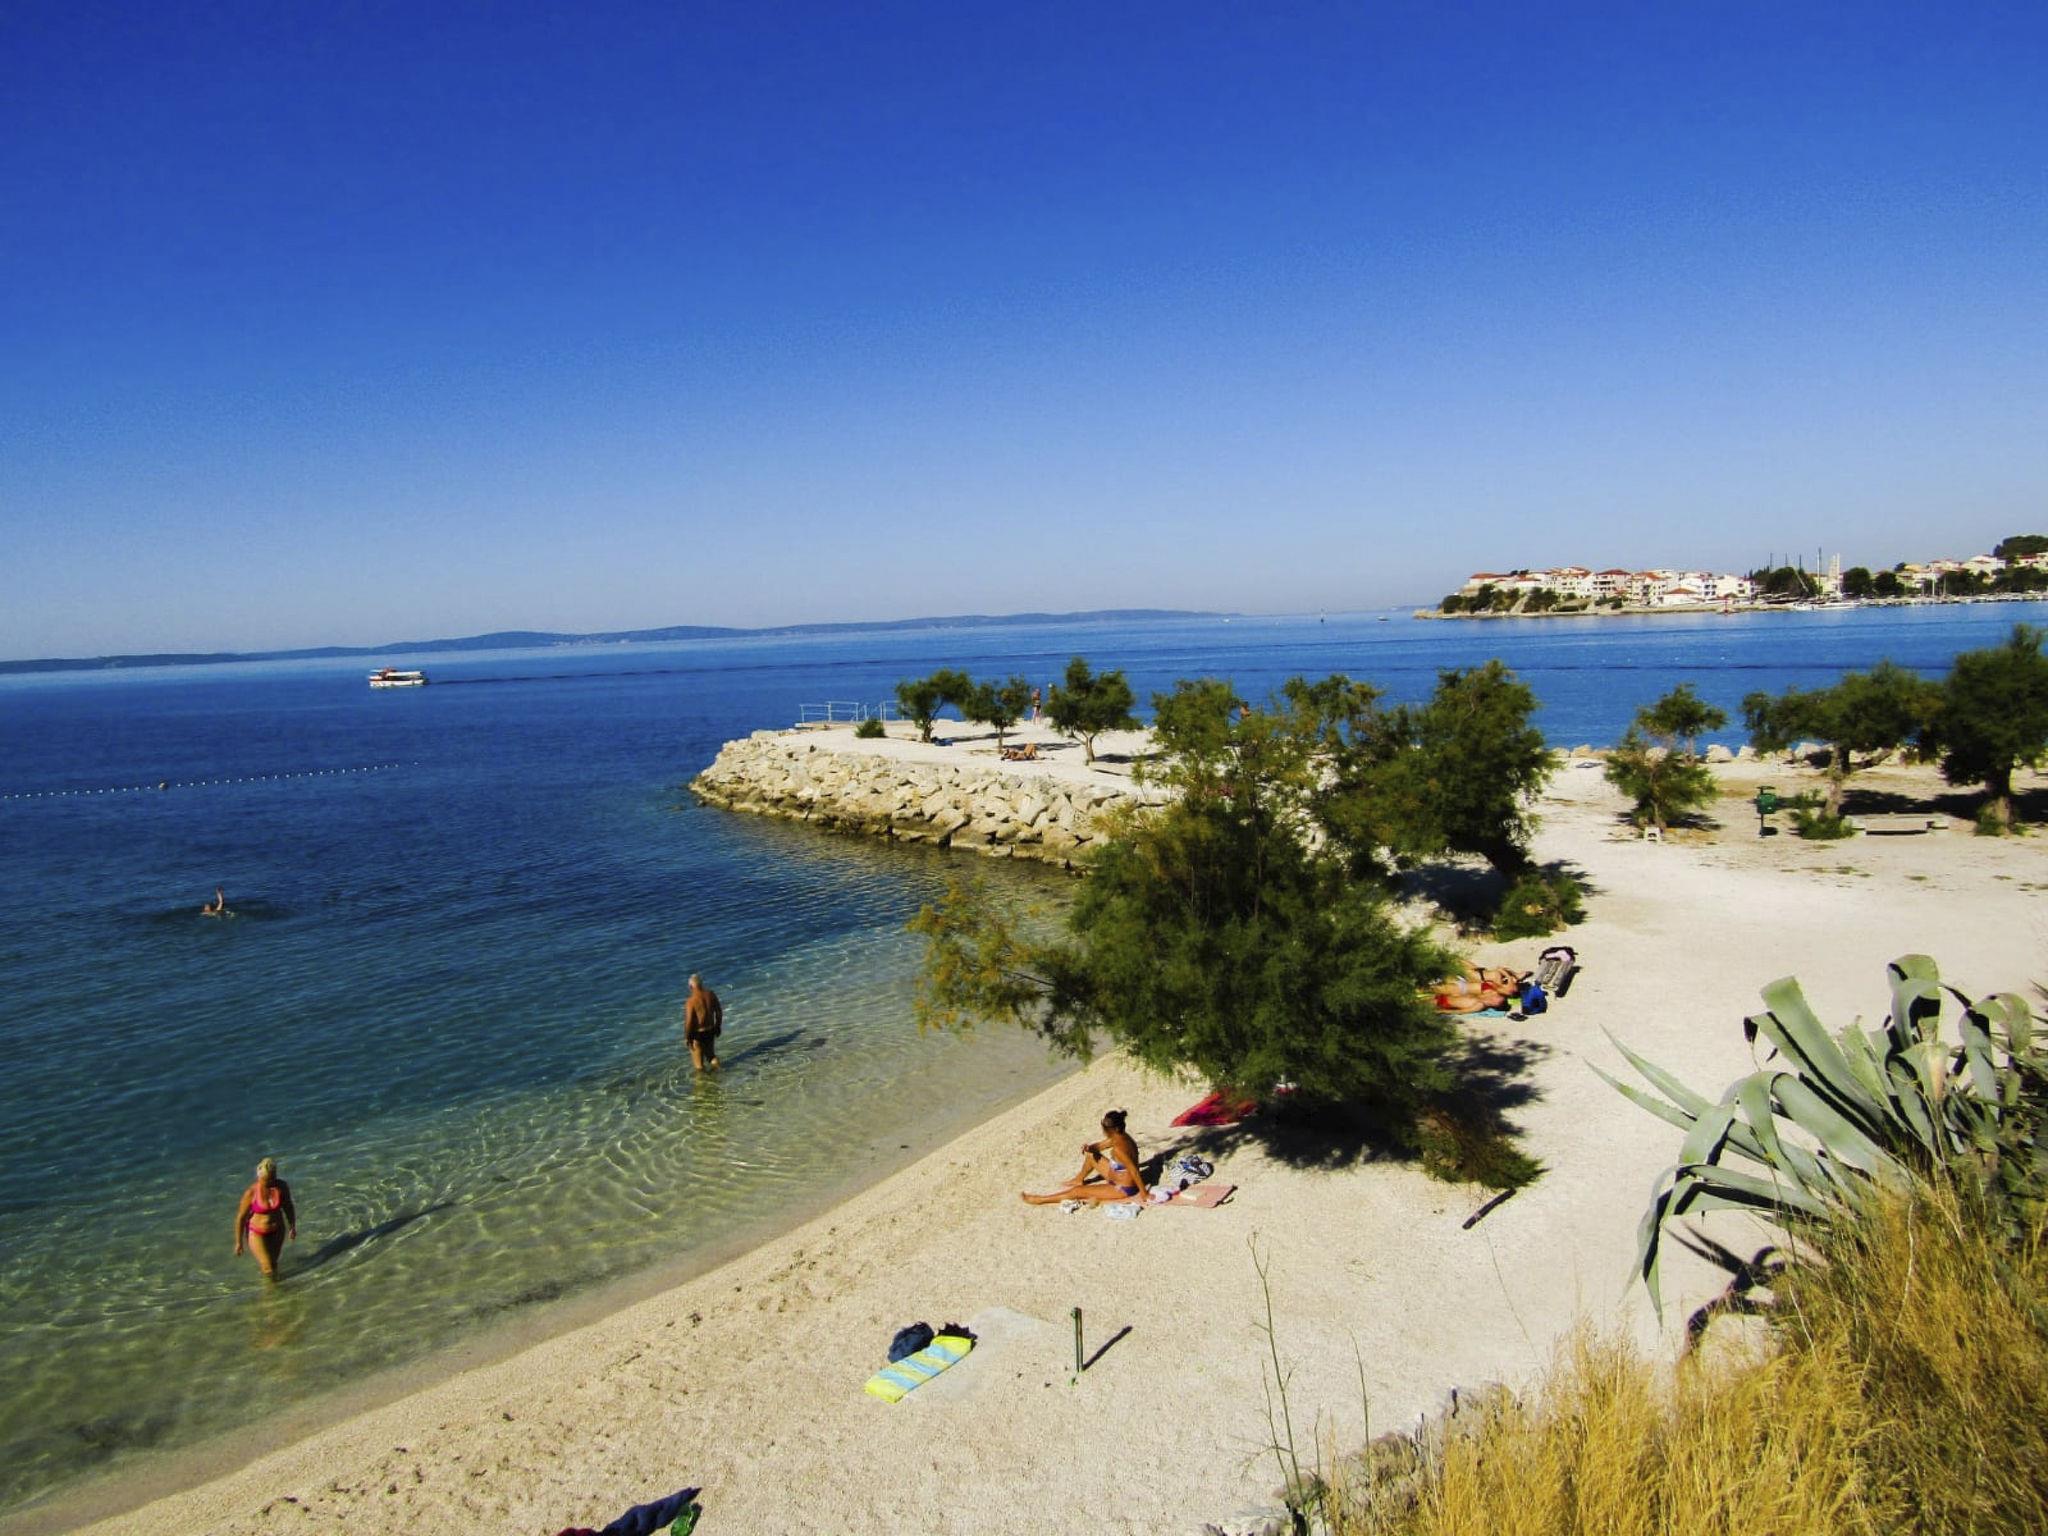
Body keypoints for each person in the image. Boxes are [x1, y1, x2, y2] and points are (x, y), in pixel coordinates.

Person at [1023, 1110, 1147, 1205]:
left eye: (1105, 1129)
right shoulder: (1120, 1137)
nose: (1103, 1131)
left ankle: (1041, 1200)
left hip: (1122, 1188)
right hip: (1115, 1176)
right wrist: (1089, 1148)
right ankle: (1079, 1179)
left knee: (1077, 1191)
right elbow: (1100, 1146)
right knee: (1091, 1156)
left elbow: (1134, 1171)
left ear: (1114, 1129)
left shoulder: (1119, 1149)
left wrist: (1144, 1193)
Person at [234, 1157, 297, 1280]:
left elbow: (288, 1207)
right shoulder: (251, 1192)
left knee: (273, 1264)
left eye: (273, 1179)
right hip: (257, 1233)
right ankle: (271, 1290)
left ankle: (277, 1286)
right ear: (259, 1177)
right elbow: (241, 1218)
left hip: (277, 1230)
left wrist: (292, 1226)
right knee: (267, 1267)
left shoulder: (281, 1186)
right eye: (267, 1180)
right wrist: (239, 1242)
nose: (271, 1183)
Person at [1432, 962, 1526, 1013]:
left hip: (1456, 991)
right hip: (1462, 986)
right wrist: (1511, 976)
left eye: (1497, 1002)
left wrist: (1442, 1011)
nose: (1496, 998)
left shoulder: (1481, 1004)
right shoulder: (1494, 991)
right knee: (1458, 963)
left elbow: (1462, 1011)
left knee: (1434, 987)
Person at [684, 973, 724, 1072]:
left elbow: (689, 1021)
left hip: (698, 1034)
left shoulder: (690, 1001)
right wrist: (717, 1026)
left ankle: (704, 1081)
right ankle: (721, 1071)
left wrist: (688, 1037)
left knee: (699, 1066)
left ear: (690, 987)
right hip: (710, 1030)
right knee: (711, 1057)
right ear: (701, 984)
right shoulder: (711, 994)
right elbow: (719, 1012)